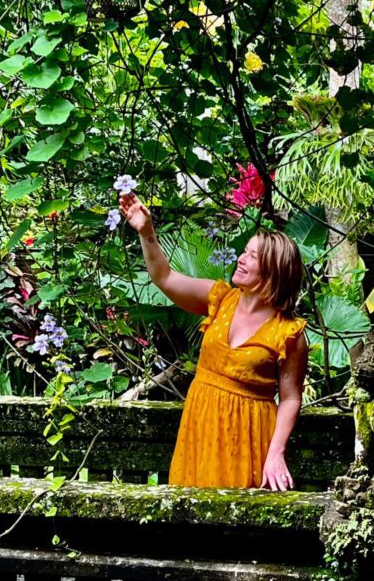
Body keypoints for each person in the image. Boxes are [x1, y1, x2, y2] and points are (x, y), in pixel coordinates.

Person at [118, 191, 308, 492]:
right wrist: (146, 232)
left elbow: (290, 398)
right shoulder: (220, 299)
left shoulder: (289, 333)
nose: (241, 260)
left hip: (249, 433)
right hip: (201, 423)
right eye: (244, 252)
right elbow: (163, 277)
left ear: (274, 270)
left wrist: (276, 453)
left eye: (252, 256)